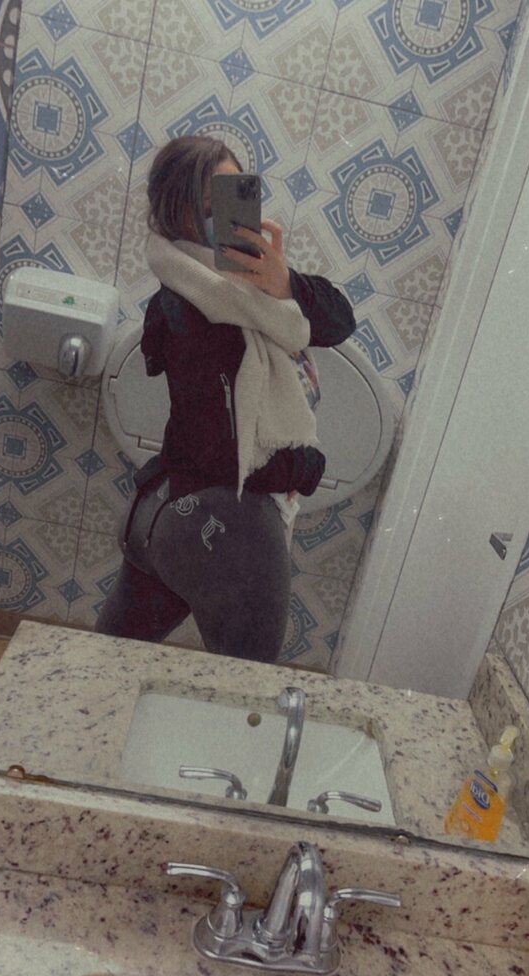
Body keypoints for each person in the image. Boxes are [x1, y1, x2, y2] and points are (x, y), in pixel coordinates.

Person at [95, 135, 356, 662]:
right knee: (244, 691)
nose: (227, 220)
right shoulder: (184, 307)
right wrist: (305, 467)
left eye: (235, 198)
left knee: (107, 666)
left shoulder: (255, 287)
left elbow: (338, 322)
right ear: (177, 213)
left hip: (164, 511)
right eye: (209, 206)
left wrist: (285, 282)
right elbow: (216, 447)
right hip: (228, 525)